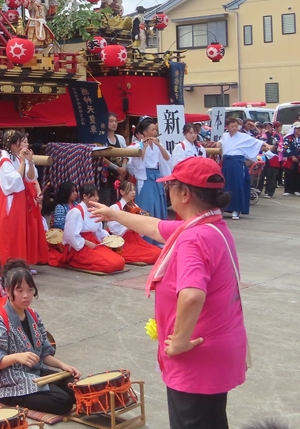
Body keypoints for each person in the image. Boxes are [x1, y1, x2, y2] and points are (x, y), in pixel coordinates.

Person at [87, 157, 248, 429]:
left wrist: (181, 341)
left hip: (197, 355)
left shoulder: (193, 238)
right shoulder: (208, 226)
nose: (167, 190)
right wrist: (113, 213)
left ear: (184, 193)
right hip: (217, 349)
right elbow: (155, 227)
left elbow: (192, 294)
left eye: (171, 185)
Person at [0, 260, 81, 415]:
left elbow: (44, 354)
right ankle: (4, 397)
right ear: (7, 291)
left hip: (34, 372)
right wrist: (16, 357)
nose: (26, 295)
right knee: (63, 401)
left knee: (75, 389)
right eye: (19, 290)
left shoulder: (34, 316)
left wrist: (63, 366)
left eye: (29, 290)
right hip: (10, 380)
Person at [0, 130, 46, 266]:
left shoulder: (16, 158)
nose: (24, 145)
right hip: (11, 198)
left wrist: (29, 161)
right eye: (21, 142)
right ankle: (7, 261)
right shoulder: (4, 159)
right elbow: (15, 180)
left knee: (20, 231)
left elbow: (31, 177)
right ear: (12, 144)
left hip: (20, 197)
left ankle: (19, 261)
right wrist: (23, 161)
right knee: (11, 230)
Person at [48, 184, 123, 274]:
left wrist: (109, 239)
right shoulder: (76, 211)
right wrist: (86, 242)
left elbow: (98, 231)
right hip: (79, 247)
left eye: (97, 195)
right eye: (94, 196)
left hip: (93, 243)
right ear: (85, 196)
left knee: (120, 261)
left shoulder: (94, 210)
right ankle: (74, 260)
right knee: (108, 265)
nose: (96, 198)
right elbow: (70, 235)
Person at [220, 116, 266, 220]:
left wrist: (267, 145)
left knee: (237, 186)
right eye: (232, 126)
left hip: (237, 163)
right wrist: (218, 144)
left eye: (236, 126)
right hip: (227, 163)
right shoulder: (225, 136)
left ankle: (236, 209)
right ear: (227, 127)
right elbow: (221, 143)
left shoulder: (243, 136)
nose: (235, 128)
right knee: (225, 186)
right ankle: (224, 207)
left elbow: (257, 142)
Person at [107, 180, 161, 265]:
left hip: (136, 238)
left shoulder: (135, 206)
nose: (133, 192)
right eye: (130, 190)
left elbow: (139, 226)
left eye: (134, 190)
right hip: (124, 240)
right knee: (154, 254)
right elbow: (114, 229)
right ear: (122, 192)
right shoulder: (115, 207)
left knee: (158, 252)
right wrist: (130, 226)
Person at [129, 117, 171, 220]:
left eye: (155, 129)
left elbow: (167, 158)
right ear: (145, 132)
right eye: (152, 129)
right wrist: (144, 147)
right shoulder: (138, 146)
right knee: (147, 205)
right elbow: (137, 162)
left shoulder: (158, 144)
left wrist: (159, 145)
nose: (155, 131)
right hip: (146, 177)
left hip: (157, 177)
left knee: (158, 204)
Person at [100, 113, 128, 201]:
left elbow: (125, 155)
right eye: (111, 121)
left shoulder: (120, 138)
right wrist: (117, 168)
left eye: (116, 121)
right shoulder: (101, 139)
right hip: (107, 177)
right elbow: (101, 157)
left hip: (120, 176)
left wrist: (122, 170)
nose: (114, 123)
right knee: (107, 201)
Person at [258, 123, 282, 198]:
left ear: (272, 127)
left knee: (271, 175)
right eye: (265, 127)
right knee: (260, 175)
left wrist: (270, 147)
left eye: (269, 127)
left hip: (272, 157)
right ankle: (257, 190)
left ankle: (269, 192)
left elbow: (276, 146)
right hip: (262, 157)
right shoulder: (260, 136)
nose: (267, 129)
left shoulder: (276, 136)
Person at [281, 122, 300, 196]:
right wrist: (291, 156)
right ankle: (288, 190)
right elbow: (286, 148)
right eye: (298, 128)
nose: (299, 130)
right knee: (289, 174)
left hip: (299, 159)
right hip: (290, 160)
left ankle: (297, 190)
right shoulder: (289, 138)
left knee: (298, 174)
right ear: (294, 129)